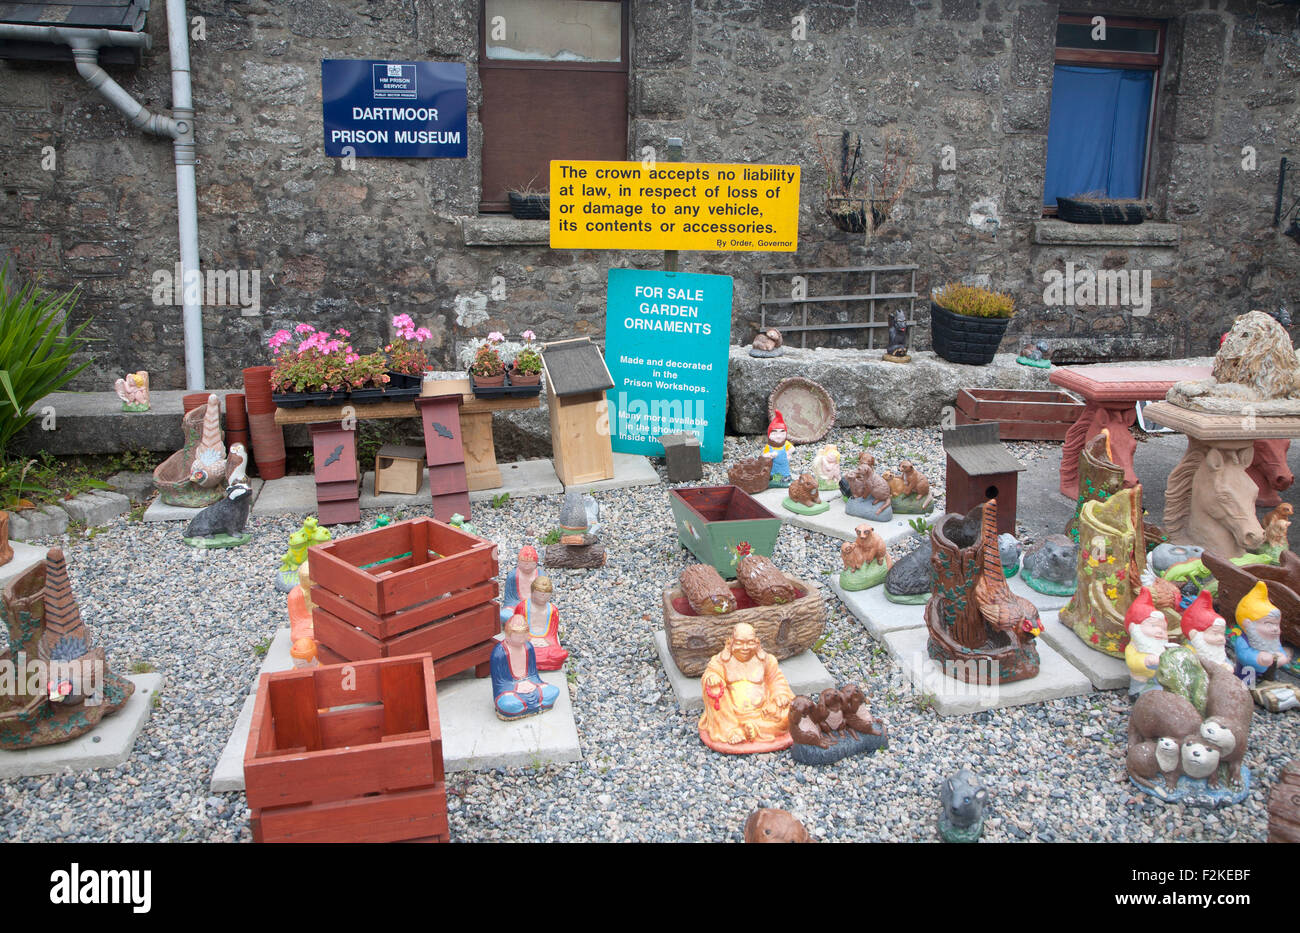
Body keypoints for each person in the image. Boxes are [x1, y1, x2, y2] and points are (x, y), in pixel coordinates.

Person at [698, 623, 795, 752]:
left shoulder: (766, 660)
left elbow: (776, 680)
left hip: (763, 712)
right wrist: (712, 678)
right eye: (739, 643)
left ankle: (751, 729)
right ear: (730, 642)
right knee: (714, 689)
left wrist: (780, 695)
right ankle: (731, 730)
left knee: (791, 714)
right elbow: (711, 673)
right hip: (730, 714)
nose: (745, 648)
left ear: (757, 643)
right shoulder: (720, 661)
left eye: (750, 643)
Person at [490, 615, 560, 721]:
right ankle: (534, 704)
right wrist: (515, 687)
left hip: (530, 683)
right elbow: (500, 682)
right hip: (510, 689)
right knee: (507, 704)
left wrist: (531, 684)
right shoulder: (499, 653)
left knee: (553, 692)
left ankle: (528, 705)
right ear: (508, 636)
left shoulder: (528, 647)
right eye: (518, 637)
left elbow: (533, 674)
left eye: (525, 636)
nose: (522, 639)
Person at [508, 575, 568, 670]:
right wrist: (529, 639)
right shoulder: (522, 607)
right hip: (526, 641)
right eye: (539, 594)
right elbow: (516, 630)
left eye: (546, 595)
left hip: (545, 643)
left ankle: (530, 660)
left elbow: (552, 634)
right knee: (518, 650)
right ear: (532, 592)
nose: (542, 597)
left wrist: (545, 641)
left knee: (560, 654)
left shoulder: (553, 610)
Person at [1124, 587, 1171, 695]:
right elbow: (1133, 662)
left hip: (1161, 682)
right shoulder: (1133, 647)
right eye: (1153, 626)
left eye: (1163, 628)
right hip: (1142, 683)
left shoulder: (1161, 647)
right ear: (1134, 627)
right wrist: (1146, 661)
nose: (1160, 631)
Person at [500, 545, 539, 623]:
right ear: (518, 563)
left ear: (535, 563)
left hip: (533, 605)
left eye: (529, 563)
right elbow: (509, 599)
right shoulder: (512, 576)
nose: (526, 565)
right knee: (504, 615)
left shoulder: (540, 576)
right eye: (523, 562)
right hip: (515, 604)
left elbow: (544, 595)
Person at [763, 412, 795, 488]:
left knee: (784, 472)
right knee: (773, 474)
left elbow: (792, 449)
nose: (778, 436)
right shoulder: (769, 446)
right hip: (774, 465)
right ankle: (773, 479)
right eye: (774, 434)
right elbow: (764, 455)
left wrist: (788, 453)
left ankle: (786, 478)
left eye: (782, 433)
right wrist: (770, 455)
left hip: (784, 465)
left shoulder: (785, 444)